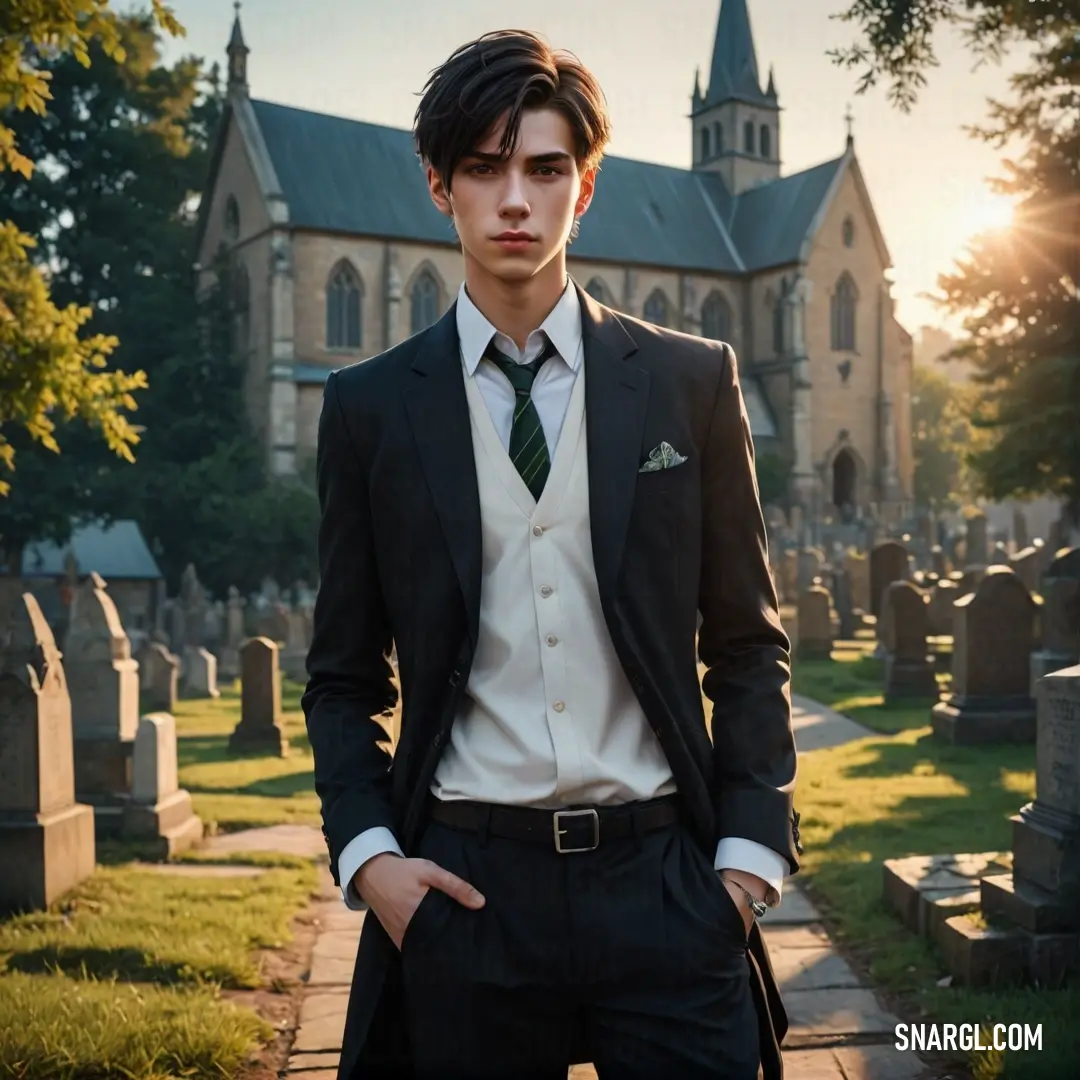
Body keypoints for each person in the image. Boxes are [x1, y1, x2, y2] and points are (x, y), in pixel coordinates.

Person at [303, 28, 800, 1080]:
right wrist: (372, 861)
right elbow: (344, 676)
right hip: (467, 896)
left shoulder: (690, 381)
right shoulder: (368, 409)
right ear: (440, 187)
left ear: (586, 186)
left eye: (544, 167)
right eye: (484, 168)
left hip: (667, 886)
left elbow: (749, 644)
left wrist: (745, 867)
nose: (515, 200)